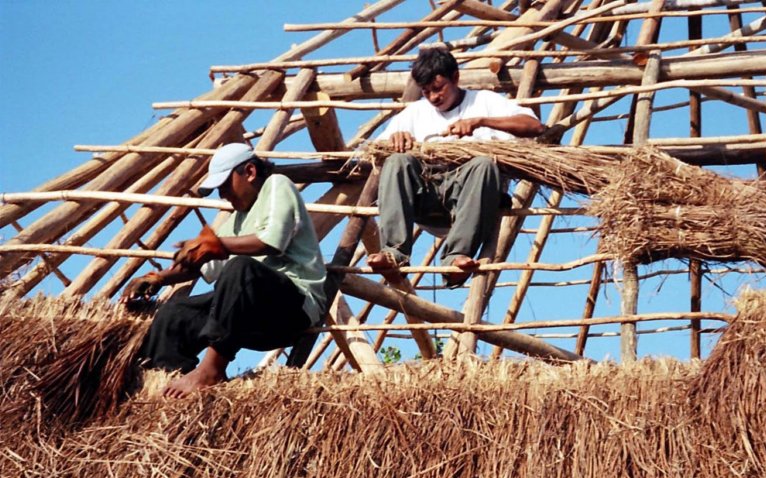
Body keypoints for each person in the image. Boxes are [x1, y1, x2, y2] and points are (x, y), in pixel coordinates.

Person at [121, 143, 327, 398]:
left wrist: (215, 244)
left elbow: (272, 241)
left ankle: (211, 371)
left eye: (225, 185)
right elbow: (204, 266)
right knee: (176, 312)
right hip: (249, 318)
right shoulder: (238, 220)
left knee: (240, 268)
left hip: (292, 310)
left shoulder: (277, 185)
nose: (222, 195)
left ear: (250, 172)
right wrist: (158, 278)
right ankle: (161, 388)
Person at [367, 47, 545, 287]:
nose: (433, 97)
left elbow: (535, 127)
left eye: (438, 88)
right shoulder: (415, 112)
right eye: (426, 91)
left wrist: (481, 122)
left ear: (455, 78)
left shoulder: (484, 101)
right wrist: (395, 140)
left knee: (484, 164)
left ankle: (456, 257)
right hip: (426, 201)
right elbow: (373, 151)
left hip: (471, 203)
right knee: (397, 161)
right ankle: (394, 254)